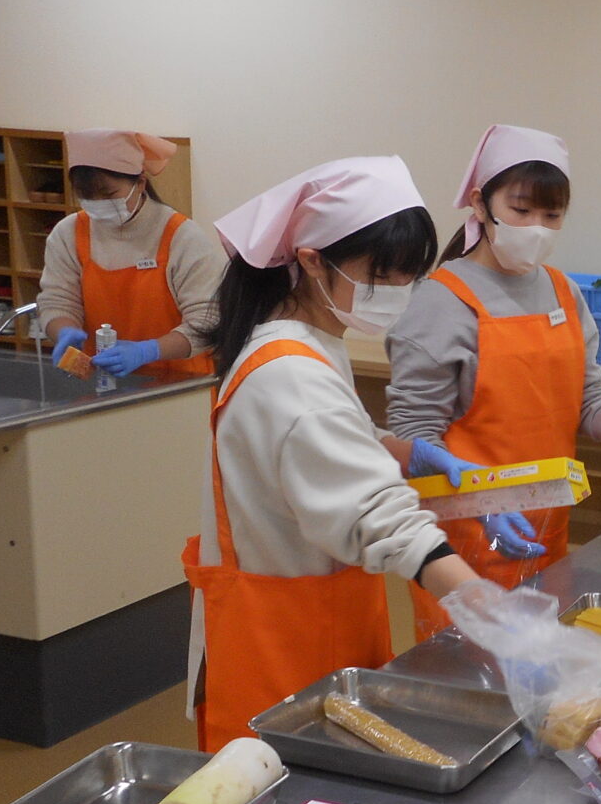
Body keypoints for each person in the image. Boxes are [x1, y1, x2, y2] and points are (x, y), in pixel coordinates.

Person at [184, 156, 479, 751]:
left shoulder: (307, 337)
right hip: (283, 647)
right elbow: (380, 517)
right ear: (313, 260)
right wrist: (485, 605)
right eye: (382, 274)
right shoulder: (288, 371)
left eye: (409, 276)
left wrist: (402, 451)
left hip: (316, 623)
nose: (397, 292)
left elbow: (331, 437)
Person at [386, 125, 601, 637]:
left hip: (545, 531)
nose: (536, 227)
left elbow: (588, 404)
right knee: (470, 674)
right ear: (480, 204)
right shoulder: (442, 302)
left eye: (551, 216)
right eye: (521, 210)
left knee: (541, 669)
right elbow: (413, 437)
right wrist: (481, 506)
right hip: (465, 544)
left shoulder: (562, 291)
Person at [39, 130, 225, 379]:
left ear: (140, 183)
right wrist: (63, 330)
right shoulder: (68, 233)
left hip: (179, 382)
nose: (98, 204)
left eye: (108, 195)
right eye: (86, 196)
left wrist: (149, 351)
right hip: (102, 378)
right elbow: (57, 301)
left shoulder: (182, 236)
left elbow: (208, 321)